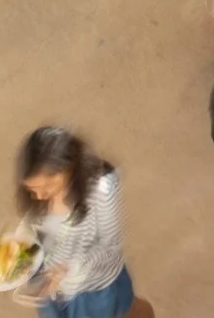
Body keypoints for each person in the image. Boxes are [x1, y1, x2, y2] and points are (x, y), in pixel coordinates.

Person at [13, 129, 138, 318]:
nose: (39, 196)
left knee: (130, 311)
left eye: (47, 186)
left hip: (92, 288)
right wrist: (22, 236)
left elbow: (111, 247)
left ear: (67, 169)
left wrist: (73, 269)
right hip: (51, 285)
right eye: (32, 190)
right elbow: (35, 226)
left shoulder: (101, 188)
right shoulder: (40, 195)